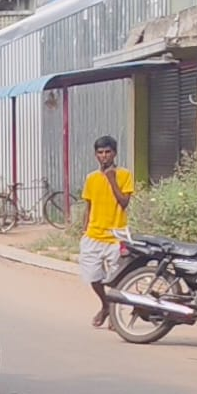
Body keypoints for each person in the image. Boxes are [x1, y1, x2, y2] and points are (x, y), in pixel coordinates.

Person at [78, 135, 134, 328]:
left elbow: (124, 202)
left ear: (115, 153)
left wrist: (112, 180)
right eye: (100, 153)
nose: (104, 156)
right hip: (93, 235)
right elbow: (88, 205)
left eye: (108, 152)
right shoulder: (91, 178)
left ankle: (114, 316)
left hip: (116, 236)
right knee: (93, 277)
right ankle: (105, 305)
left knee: (117, 278)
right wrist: (84, 229)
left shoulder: (124, 175)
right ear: (96, 155)